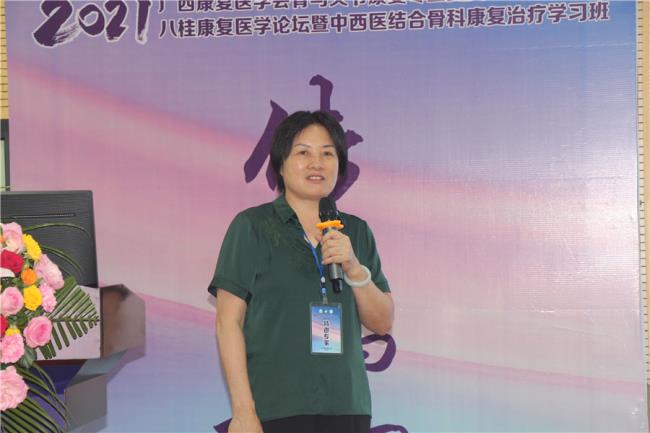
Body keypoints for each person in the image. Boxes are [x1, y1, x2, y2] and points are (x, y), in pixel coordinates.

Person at [209, 110, 394, 433]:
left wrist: (353, 267)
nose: (316, 164)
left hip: (346, 408)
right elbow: (228, 322)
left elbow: (382, 321)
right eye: (303, 153)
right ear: (281, 164)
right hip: (276, 409)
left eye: (327, 154)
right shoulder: (253, 226)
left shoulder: (356, 231)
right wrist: (243, 413)